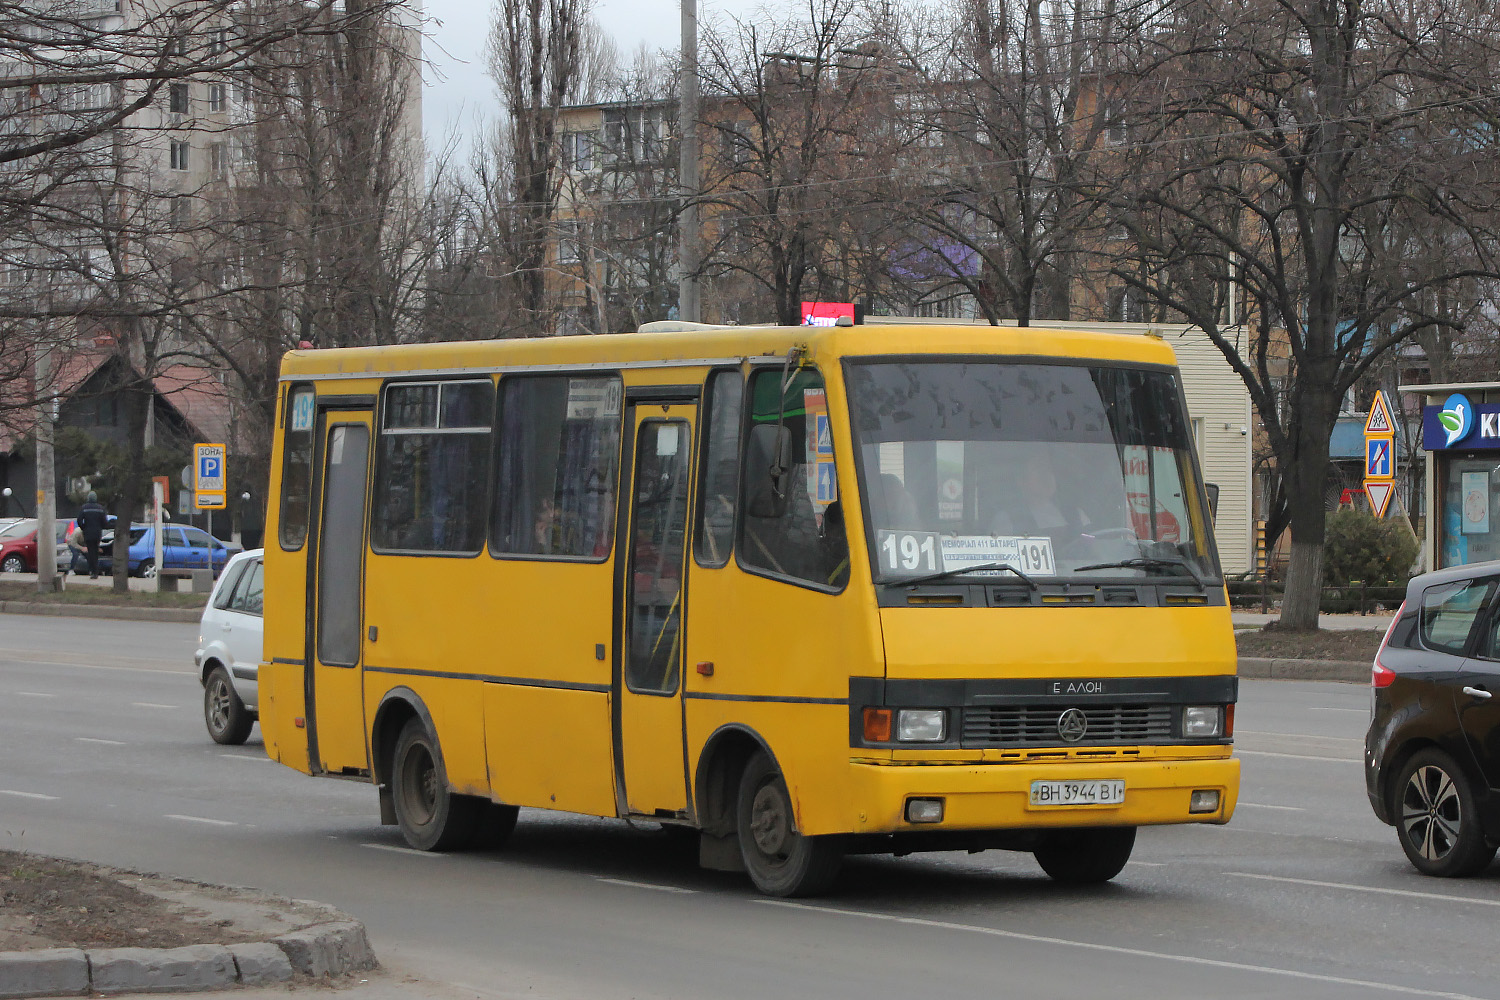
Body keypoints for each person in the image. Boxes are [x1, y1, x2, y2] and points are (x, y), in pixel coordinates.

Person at [78, 491, 108, 579]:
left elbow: (79, 520)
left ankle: (92, 570)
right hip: (97, 533)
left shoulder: (84, 508)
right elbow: (105, 522)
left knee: (90, 552)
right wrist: (101, 527)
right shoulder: (101, 508)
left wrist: (84, 527)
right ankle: (95, 571)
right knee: (95, 552)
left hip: (88, 533)